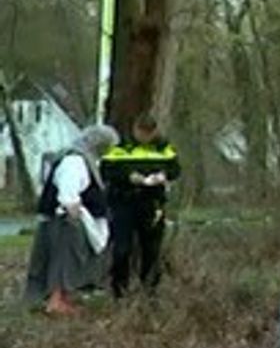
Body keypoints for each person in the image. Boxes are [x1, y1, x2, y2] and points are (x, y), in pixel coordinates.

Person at [25, 125, 120, 314]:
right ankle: (55, 302)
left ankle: (62, 299)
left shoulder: (82, 159)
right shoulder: (74, 160)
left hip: (67, 219)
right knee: (64, 260)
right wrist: (72, 208)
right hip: (66, 221)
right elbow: (68, 189)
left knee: (69, 260)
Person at [101, 114, 181, 297]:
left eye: (149, 133)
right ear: (135, 130)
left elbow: (175, 169)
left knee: (151, 250)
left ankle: (150, 292)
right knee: (122, 249)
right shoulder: (120, 148)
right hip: (124, 202)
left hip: (152, 203)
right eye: (142, 133)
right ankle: (119, 291)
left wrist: (163, 176)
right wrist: (129, 177)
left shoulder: (164, 148)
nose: (145, 137)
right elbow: (107, 170)